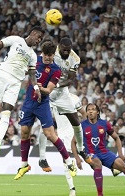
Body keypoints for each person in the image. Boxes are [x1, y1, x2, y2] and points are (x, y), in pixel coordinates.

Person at [14, 41, 77, 180]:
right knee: (24, 133)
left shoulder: (56, 69)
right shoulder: (34, 60)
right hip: (29, 102)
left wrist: (40, 88)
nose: (48, 58)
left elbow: (48, 90)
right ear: (42, 52)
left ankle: (68, 161)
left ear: (54, 54)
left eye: (50, 55)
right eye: (46, 55)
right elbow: (25, 73)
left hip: (42, 104)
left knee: (50, 134)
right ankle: (24, 165)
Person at [72, 103, 125, 196]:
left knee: (124, 167)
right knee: (97, 163)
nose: (90, 111)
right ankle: (100, 194)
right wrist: (77, 158)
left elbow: (117, 138)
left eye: (93, 109)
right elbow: (73, 142)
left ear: (97, 112)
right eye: (88, 109)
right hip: (90, 153)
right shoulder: (81, 125)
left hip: (104, 152)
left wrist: (120, 154)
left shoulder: (105, 124)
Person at [38, 37, 86, 171]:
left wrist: (56, 85)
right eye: (64, 50)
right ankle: (42, 158)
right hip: (47, 92)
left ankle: (81, 149)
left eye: (68, 50)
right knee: (46, 125)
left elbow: (70, 80)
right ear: (59, 47)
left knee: (76, 120)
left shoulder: (75, 59)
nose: (66, 52)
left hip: (61, 92)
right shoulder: (51, 53)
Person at [38, 93, 86, 196]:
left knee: (85, 153)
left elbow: (83, 113)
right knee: (65, 157)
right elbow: (48, 115)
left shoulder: (74, 98)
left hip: (75, 130)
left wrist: (84, 127)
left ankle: (112, 166)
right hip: (62, 132)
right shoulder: (51, 98)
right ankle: (72, 188)